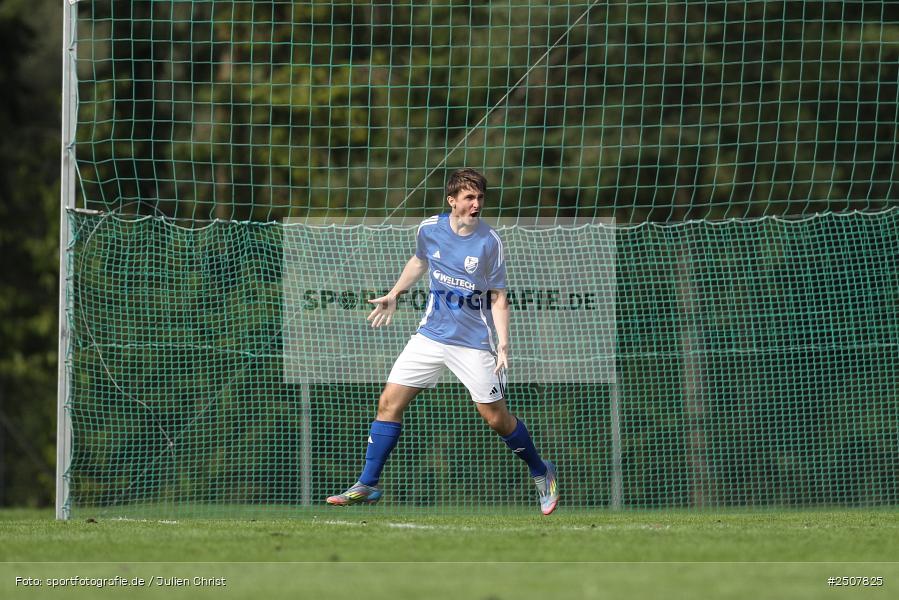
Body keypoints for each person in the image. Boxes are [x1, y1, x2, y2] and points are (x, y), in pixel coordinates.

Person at [326, 168, 558, 515]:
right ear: (452, 201)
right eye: (469, 197)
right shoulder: (429, 229)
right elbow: (419, 262)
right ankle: (368, 484)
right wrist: (394, 294)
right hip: (429, 336)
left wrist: (505, 345)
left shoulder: (489, 242)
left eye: (480, 197)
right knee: (389, 403)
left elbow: (498, 296)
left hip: (473, 343)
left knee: (496, 419)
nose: (476, 203)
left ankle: (542, 472)